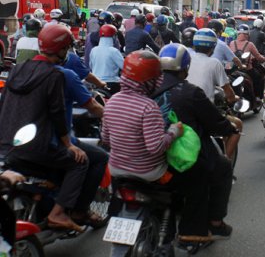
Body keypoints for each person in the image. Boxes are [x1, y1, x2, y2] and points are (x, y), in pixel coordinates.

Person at [101, 51, 215, 245]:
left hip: (117, 171)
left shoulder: (112, 102)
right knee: (198, 175)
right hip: (151, 173)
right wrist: (173, 132)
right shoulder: (149, 107)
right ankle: (189, 230)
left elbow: (105, 139)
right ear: (149, 81)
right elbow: (156, 147)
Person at [0, 25, 94, 231]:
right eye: (66, 48)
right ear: (61, 50)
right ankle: (58, 213)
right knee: (80, 162)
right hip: (36, 149)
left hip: (7, 146)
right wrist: (69, 145)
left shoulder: (17, 69)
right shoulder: (55, 76)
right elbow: (58, 114)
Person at [153, 45, 239, 240]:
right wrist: (229, 129)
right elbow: (216, 123)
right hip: (179, 158)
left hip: (145, 157)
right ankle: (211, 223)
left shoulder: (144, 89)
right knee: (221, 166)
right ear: (185, 67)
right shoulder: (190, 92)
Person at [188, 29, 237, 105]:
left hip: (185, 105)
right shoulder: (215, 63)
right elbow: (228, 91)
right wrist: (233, 98)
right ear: (213, 48)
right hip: (206, 108)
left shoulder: (187, 58)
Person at [229, 24, 265, 99]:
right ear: (247, 34)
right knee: (259, 77)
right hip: (247, 70)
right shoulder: (250, 44)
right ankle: (257, 97)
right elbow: (259, 57)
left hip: (233, 70)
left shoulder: (232, 43)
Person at [89, 25, 124, 95]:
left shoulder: (94, 50)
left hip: (96, 82)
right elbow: (124, 67)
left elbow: (91, 66)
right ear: (113, 36)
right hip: (111, 83)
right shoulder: (114, 51)